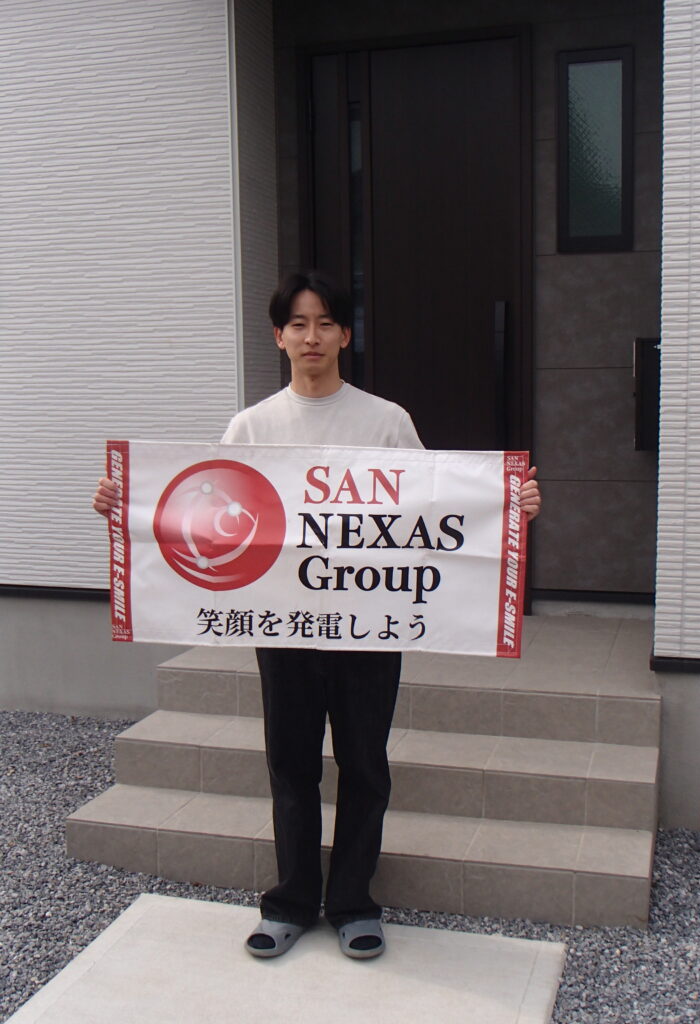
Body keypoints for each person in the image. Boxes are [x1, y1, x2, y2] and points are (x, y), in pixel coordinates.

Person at [93, 270, 542, 960]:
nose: (312, 336)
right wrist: (126, 507)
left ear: (345, 336)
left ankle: (355, 903)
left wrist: (509, 508)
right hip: (284, 627)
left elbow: (437, 515)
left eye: (325, 323)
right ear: (278, 337)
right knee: (292, 766)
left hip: (370, 628)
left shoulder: (385, 421)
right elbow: (204, 516)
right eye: (298, 324)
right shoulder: (252, 426)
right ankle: (291, 903)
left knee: (365, 767)